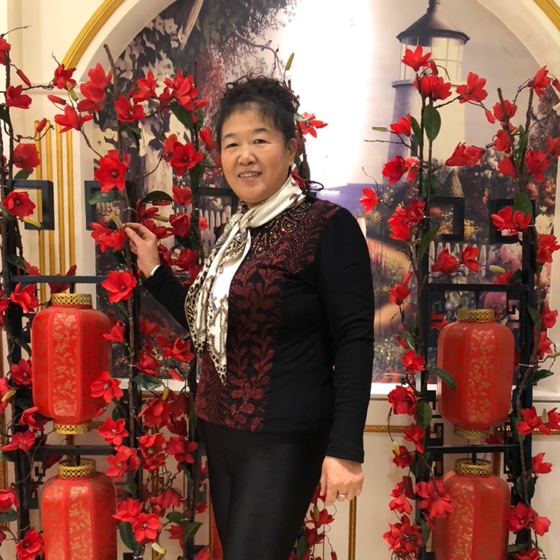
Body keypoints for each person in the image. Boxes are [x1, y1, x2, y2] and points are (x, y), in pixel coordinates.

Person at [125, 76, 374, 560]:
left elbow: (354, 338)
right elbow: (206, 322)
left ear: (291, 148)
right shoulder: (236, 236)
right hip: (221, 432)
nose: (245, 156)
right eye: (232, 144)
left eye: (260, 140)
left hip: (283, 440)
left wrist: (346, 449)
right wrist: (155, 271)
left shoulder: (326, 227)